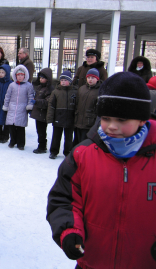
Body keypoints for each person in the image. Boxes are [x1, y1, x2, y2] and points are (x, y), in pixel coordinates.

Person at [47, 72, 156, 269]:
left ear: (141, 119)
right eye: (106, 118)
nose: (112, 126)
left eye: (122, 119)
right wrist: (70, 230)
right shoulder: (82, 155)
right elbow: (64, 199)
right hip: (92, 262)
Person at [47, 70, 78, 159]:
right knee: (56, 136)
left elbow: (77, 105)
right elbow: (51, 105)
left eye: (65, 80)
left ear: (70, 81)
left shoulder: (75, 92)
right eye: (62, 80)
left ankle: (68, 152)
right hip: (58, 117)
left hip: (70, 118)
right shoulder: (56, 92)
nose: (63, 82)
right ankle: (54, 151)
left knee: (68, 137)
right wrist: (50, 117)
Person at [2, 65, 34, 150]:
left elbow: (31, 96)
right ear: (15, 76)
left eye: (21, 75)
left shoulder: (28, 86)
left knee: (20, 127)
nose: (20, 77)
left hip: (22, 109)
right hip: (12, 108)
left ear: (25, 75)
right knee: (11, 127)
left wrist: (29, 106)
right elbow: (7, 96)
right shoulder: (12, 85)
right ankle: (12, 141)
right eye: (18, 75)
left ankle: (21, 143)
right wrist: (6, 106)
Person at [73, 68, 101, 145]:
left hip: (89, 122)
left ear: (97, 79)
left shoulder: (99, 91)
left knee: (85, 142)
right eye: (88, 77)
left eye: (93, 78)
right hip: (78, 121)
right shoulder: (82, 89)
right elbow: (77, 103)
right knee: (77, 142)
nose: (90, 80)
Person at [29, 67, 54, 153]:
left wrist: (36, 102)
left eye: (43, 78)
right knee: (39, 130)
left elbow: (47, 102)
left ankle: (42, 146)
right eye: (40, 78)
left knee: (42, 131)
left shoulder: (49, 89)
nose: (41, 79)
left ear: (47, 79)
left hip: (43, 114)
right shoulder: (39, 87)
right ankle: (41, 145)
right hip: (38, 113)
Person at [0, 64, 13, 143]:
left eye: (3, 72)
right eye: (0, 72)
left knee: (6, 121)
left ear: (7, 73)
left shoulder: (10, 84)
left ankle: (5, 136)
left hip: (6, 105)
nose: (1, 74)